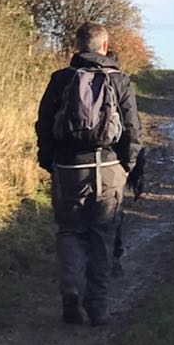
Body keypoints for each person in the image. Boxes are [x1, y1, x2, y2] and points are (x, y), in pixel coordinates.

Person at [36, 22, 142, 325]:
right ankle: (97, 308)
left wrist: (49, 162)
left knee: (70, 231)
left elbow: (43, 125)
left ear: (78, 45)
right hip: (109, 168)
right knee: (103, 234)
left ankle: (71, 289)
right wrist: (127, 165)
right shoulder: (120, 81)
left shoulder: (60, 79)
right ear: (105, 47)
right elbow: (133, 130)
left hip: (69, 168)